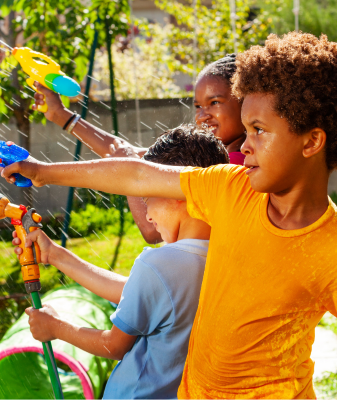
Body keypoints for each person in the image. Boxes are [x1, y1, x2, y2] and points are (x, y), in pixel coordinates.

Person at [2, 32, 337, 398]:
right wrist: (42, 171)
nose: (244, 145)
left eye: (260, 130)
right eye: (246, 129)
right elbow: (138, 172)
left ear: (312, 141)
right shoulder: (231, 188)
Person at [20, 125, 230, 399]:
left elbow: (114, 345)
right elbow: (138, 293)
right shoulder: (225, 257)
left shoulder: (159, 263)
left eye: (147, 199)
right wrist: (55, 254)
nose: (149, 216)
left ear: (178, 193)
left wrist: (56, 327)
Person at [32, 54, 246, 244]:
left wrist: (40, 172)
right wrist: (60, 115)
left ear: (245, 102)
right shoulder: (209, 154)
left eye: (215, 102)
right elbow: (123, 152)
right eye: (198, 106)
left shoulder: (237, 167)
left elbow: (151, 229)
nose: (202, 115)